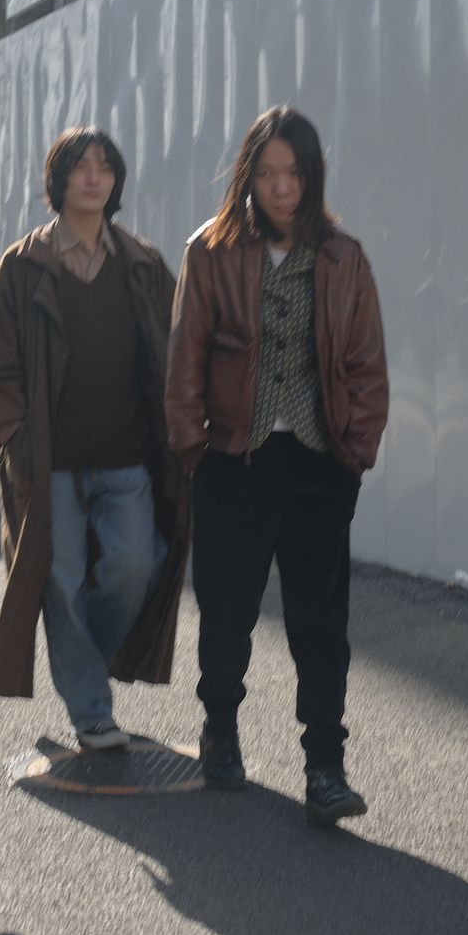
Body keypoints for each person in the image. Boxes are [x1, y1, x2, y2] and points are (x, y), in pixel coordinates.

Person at [166, 106, 389, 826]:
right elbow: (185, 357)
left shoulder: (343, 258)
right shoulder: (211, 251)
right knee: (227, 609)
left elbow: (367, 364)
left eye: (293, 173)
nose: (281, 187)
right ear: (247, 177)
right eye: (266, 173)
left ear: (313, 175)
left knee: (320, 622)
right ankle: (220, 729)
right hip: (234, 457)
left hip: (320, 463)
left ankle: (325, 766)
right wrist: (195, 451)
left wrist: (354, 456)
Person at [0, 126, 189, 748]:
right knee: (61, 582)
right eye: (80, 166)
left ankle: (87, 658)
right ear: (58, 178)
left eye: (105, 167)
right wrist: (12, 442)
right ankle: (92, 711)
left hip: (129, 455)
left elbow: (179, 353)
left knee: (135, 566)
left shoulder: (144, 264)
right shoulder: (23, 265)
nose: (93, 177)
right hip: (49, 463)